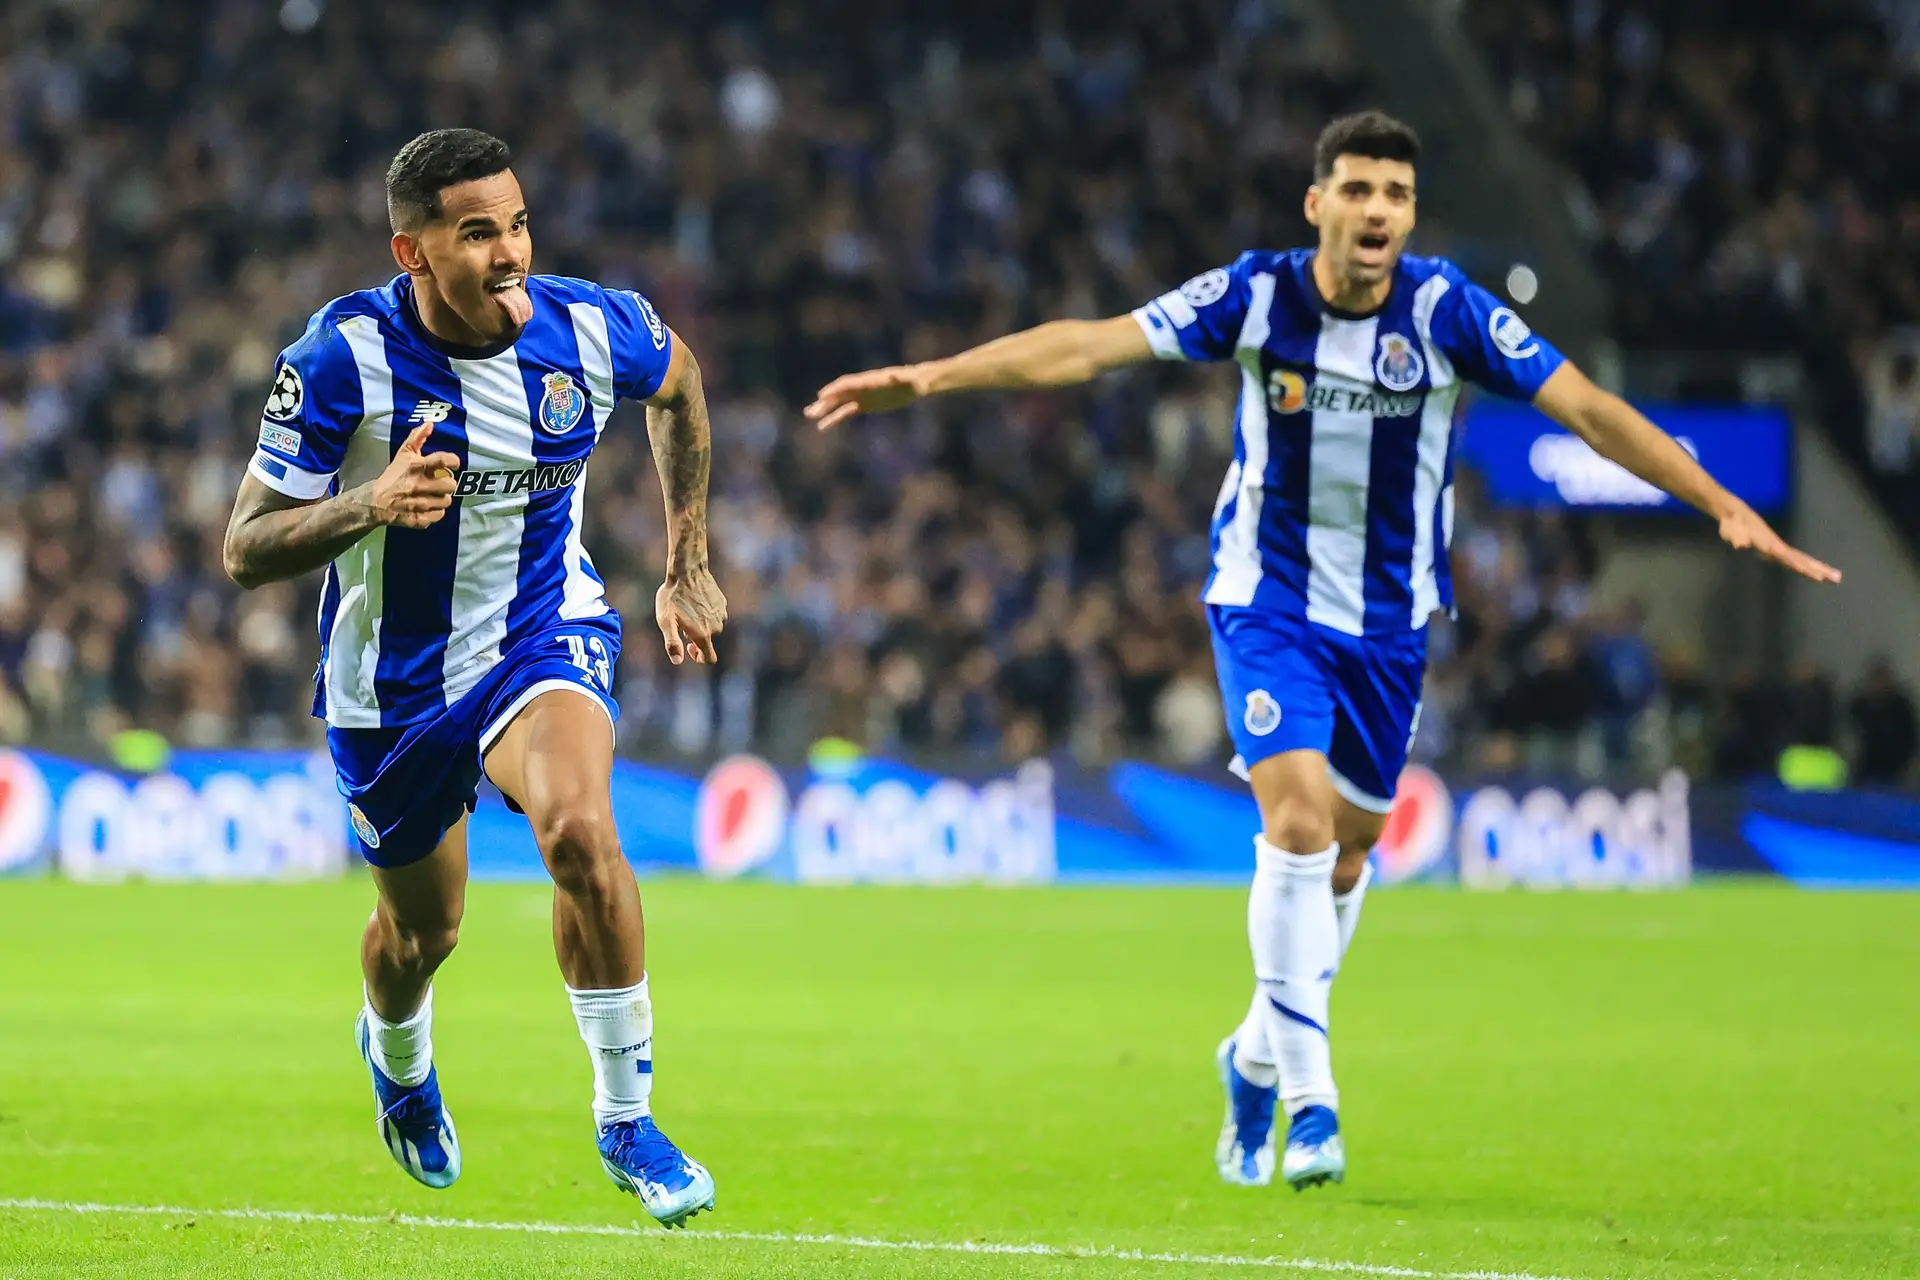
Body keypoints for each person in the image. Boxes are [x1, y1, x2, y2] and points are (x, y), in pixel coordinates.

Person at [806, 110, 1841, 1191]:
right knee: (1295, 825)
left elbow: (1588, 408)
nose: (1375, 210)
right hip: (1269, 599)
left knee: (1346, 857)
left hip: (1391, 625)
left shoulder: (1449, 311)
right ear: (1318, 205)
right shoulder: (1257, 295)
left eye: (1394, 193)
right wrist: (930, 376)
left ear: (1411, 214)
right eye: (1355, 190)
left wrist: (1720, 502)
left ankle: (1252, 1056)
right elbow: (1090, 342)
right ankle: (1311, 1099)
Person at [222, 129, 727, 1227]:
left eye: (520, 221)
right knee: (423, 934)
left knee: (580, 833)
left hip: (542, 632)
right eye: (477, 231)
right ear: (412, 250)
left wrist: (687, 563)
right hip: (391, 681)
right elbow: (244, 545)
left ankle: (626, 1115)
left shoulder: (590, 327)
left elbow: (680, 385)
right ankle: (398, 1061)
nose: (511, 252)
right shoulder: (340, 359)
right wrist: (368, 504)